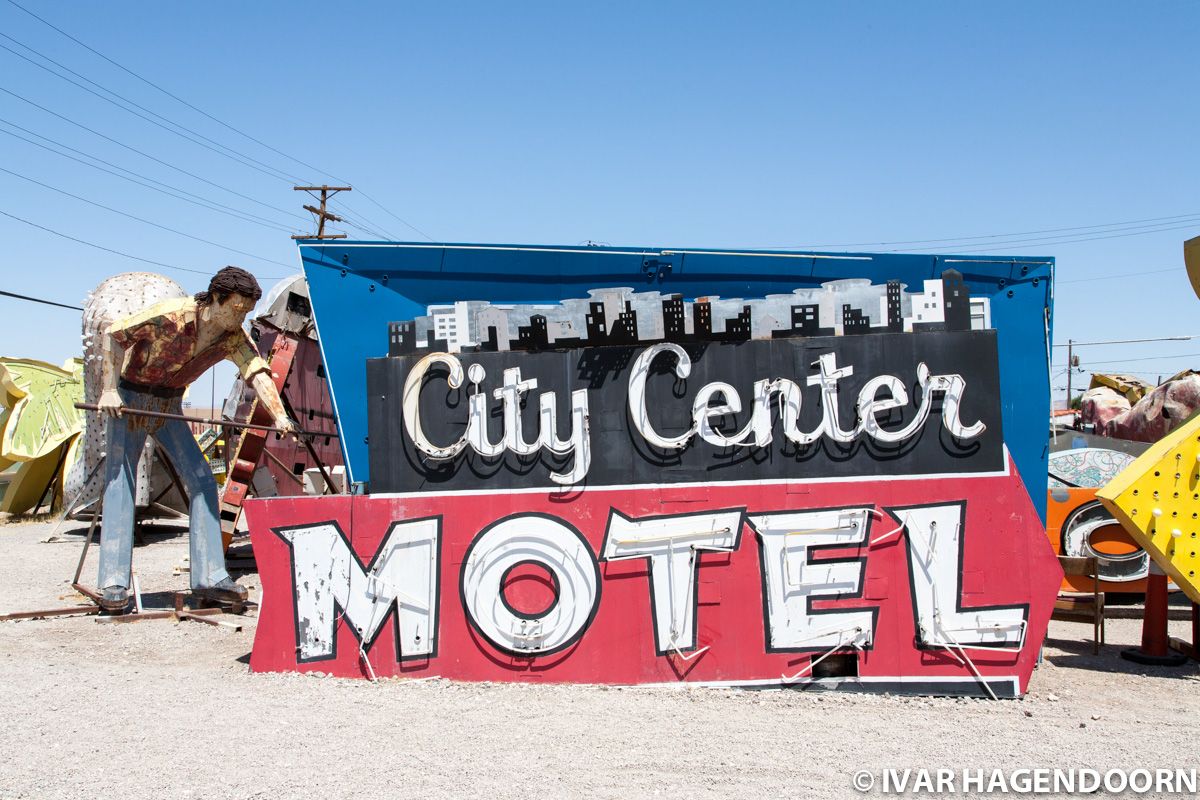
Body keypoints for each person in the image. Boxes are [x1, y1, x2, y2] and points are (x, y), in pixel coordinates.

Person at [94, 266, 297, 613]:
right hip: (130, 398)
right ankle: (113, 583)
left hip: (168, 402)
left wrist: (280, 416)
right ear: (215, 298)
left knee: (203, 480)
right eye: (236, 309)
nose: (240, 318)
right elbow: (114, 335)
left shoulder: (232, 337)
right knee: (121, 479)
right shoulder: (169, 316)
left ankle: (210, 577)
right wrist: (110, 389)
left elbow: (257, 373)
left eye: (246, 311)